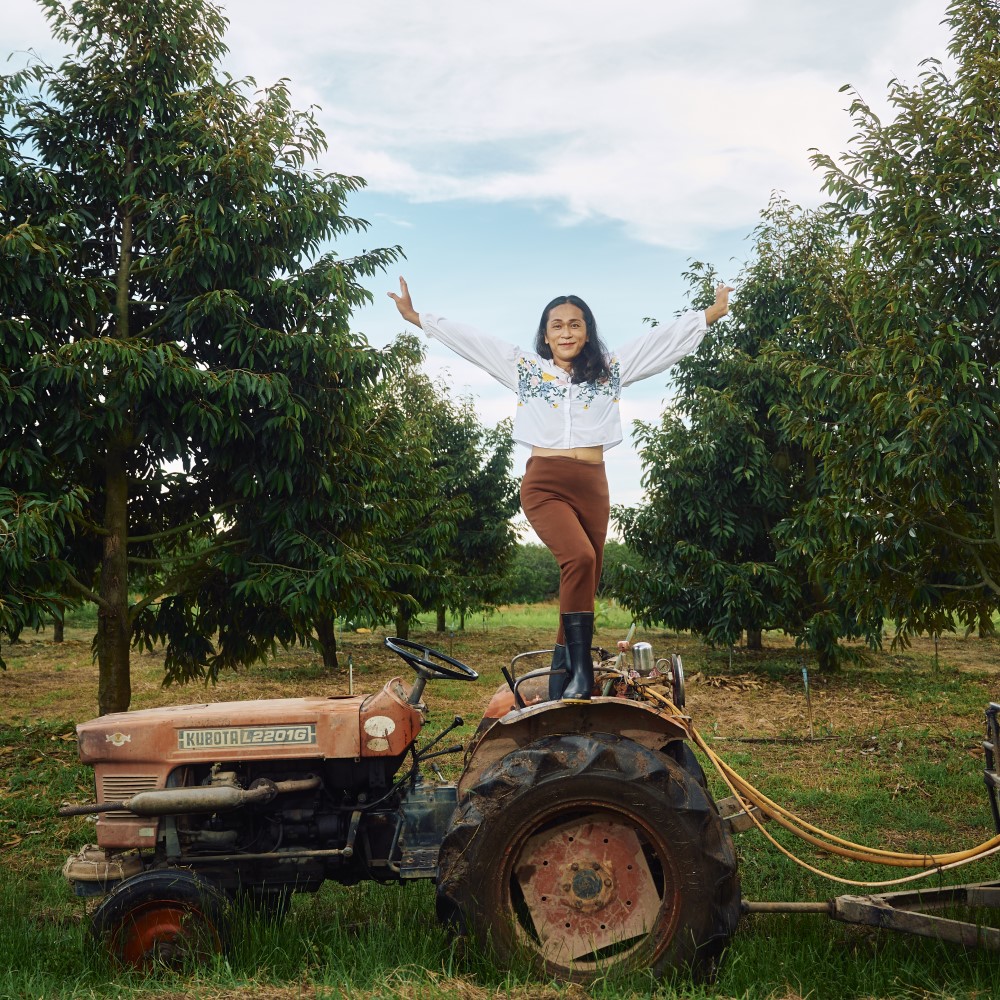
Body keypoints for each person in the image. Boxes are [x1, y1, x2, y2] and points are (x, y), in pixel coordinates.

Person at [388, 277, 732, 703]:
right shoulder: (526, 369)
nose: (566, 332)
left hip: (593, 485)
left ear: (587, 331)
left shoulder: (610, 369)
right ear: (545, 335)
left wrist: (710, 314)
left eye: (575, 324)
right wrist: (419, 318)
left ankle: (559, 679)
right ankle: (582, 670)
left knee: (585, 576)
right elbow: (474, 342)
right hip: (545, 483)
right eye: (557, 325)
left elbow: (658, 342)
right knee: (580, 558)